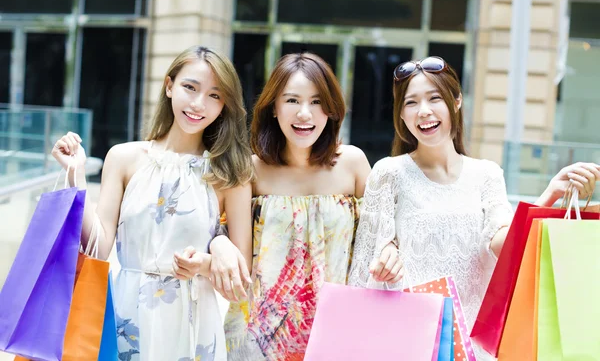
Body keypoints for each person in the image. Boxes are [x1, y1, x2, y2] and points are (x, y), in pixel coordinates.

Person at [347, 56, 600, 361]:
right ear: (401, 115)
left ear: (456, 102)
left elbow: (504, 245)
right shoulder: (389, 173)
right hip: (409, 342)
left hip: (471, 346)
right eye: (411, 103)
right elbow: (362, 275)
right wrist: (385, 265)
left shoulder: (487, 175)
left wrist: (549, 195)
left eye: (434, 98)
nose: (424, 111)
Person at [51, 46, 254, 361]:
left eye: (214, 95)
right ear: (169, 85)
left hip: (193, 319)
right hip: (127, 312)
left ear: (224, 104)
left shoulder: (231, 173)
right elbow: (99, 248)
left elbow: (240, 274)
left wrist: (206, 260)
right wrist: (75, 173)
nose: (199, 104)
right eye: (190, 87)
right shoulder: (124, 157)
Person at [219, 52, 372, 360]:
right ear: (274, 108)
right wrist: (219, 241)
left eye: (317, 102)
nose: (305, 113)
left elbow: (379, 241)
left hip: (337, 334)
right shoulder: (250, 171)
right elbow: (234, 251)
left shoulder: (353, 164)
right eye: (292, 100)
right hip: (260, 338)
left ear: (331, 110)